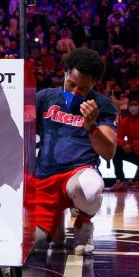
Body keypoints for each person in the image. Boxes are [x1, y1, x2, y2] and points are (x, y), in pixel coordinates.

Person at [33, 48, 117, 255]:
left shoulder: (103, 105)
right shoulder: (45, 97)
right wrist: (11, 74)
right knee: (31, 244)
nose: (75, 92)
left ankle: (84, 224)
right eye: (71, 84)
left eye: (83, 88)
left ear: (94, 84)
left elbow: (108, 152)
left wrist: (91, 126)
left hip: (78, 173)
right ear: (65, 72)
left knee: (91, 187)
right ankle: (56, 224)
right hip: (45, 177)